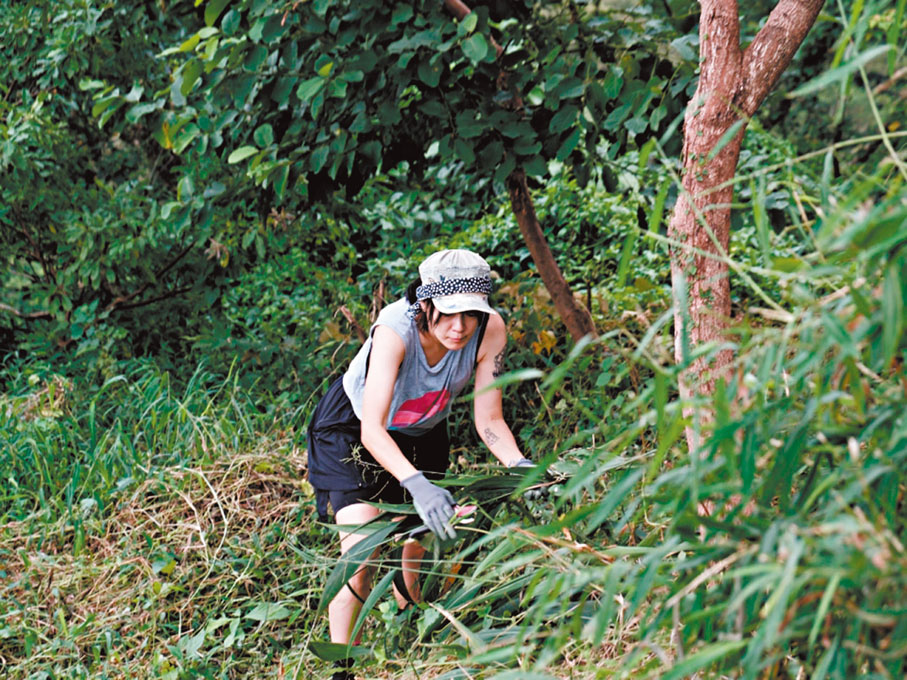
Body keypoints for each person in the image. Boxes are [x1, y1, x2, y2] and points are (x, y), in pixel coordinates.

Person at [306, 249, 532, 676]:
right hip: (353, 430)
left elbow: (490, 419)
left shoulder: (490, 332)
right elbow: (372, 428)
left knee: (419, 549)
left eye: (470, 313)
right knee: (364, 554)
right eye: (447, 314)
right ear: (424, 302)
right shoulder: (395, 330)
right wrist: (416, 483)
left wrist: (520, 465)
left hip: (422, 432)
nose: (459, 327)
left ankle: (413, 637)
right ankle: (343, 669)